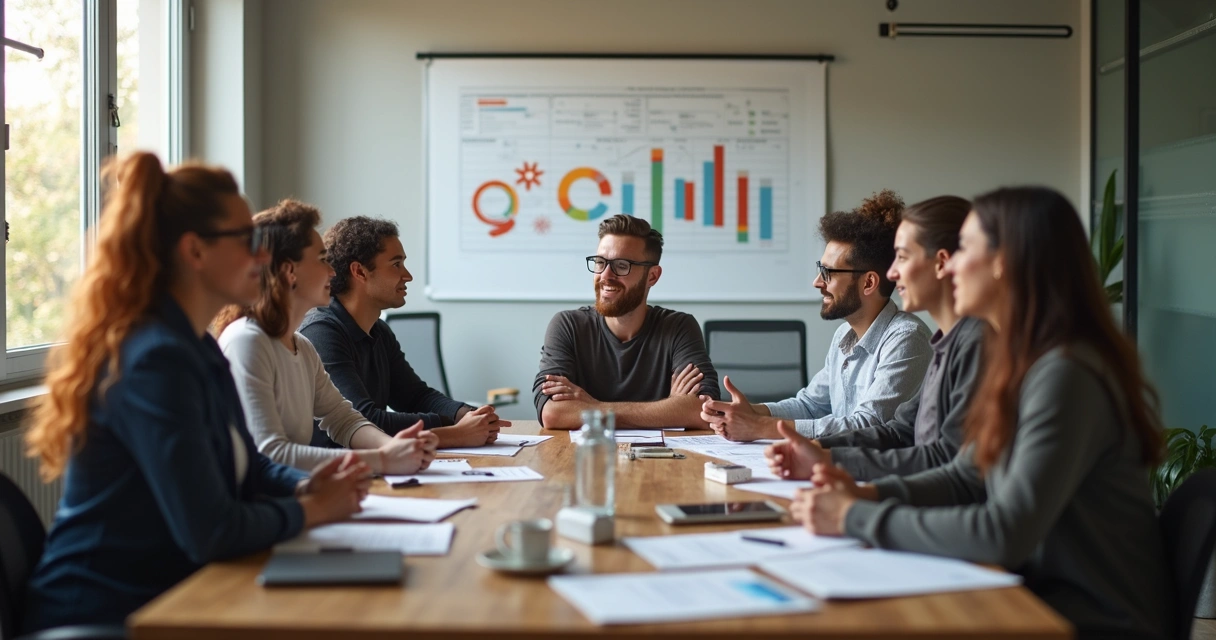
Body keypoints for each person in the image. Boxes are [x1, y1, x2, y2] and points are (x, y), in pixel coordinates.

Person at [790, 187, 1172, 639]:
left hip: (1084, 616)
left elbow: (1004, 530)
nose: (948, 264)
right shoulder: (1021, 360)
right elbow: (966, 476)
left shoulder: (1065, 373)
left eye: (964, 248)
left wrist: (852, 517)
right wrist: (862, 496)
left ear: (1003, 263)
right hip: (1031, 590)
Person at [21, 154, 369, 633]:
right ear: (195, 251)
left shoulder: (198, 344)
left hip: (174, 592)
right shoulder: (152, 360)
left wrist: (309, 485)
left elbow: (251, 465)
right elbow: (213, 530)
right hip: (108, 611)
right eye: (245, 239)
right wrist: (312, 509)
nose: (262, 255)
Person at [766, 196, 985, 480]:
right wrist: (822, 454)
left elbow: (942, 462)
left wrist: (852, 495)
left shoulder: (932, 340)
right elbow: (900, 431)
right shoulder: (947, 344)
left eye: (902, 258)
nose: (892, 273)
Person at [215, 200, 438, 472]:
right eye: (322, 260)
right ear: (289, 271)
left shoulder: (303, 347)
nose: (333, 272)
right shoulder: (247, 342)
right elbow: (271, 453)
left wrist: (390, 447)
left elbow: (345, 420)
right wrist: (382, 459)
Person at [701, 191, 932, 441]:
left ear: (869, 283)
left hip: (879, 474)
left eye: (827, 273)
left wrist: (761, 427)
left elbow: (869, 425)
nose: (816, 282)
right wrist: (751, 412)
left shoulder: (907, 339)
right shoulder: (844, 335)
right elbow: (810, 405)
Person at [299, 217, 509, 448]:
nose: (407, 276)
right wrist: (454, 430)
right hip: (333, 475)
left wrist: (467, 414)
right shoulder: (321, 333)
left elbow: (415, 396)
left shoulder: (379, 331)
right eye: (396, 264)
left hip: (376, 468)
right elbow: (365, 421)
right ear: (359, 272)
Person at [533, 214, 719, 429]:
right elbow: (553, 414)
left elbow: (704, 410)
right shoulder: (568, 325)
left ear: (652, 277)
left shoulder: (678, 327)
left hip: (662, 459)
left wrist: (593, 407)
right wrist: (672, 408)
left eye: (622, 265)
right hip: (586, 456)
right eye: (600, 262)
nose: (606, 275)